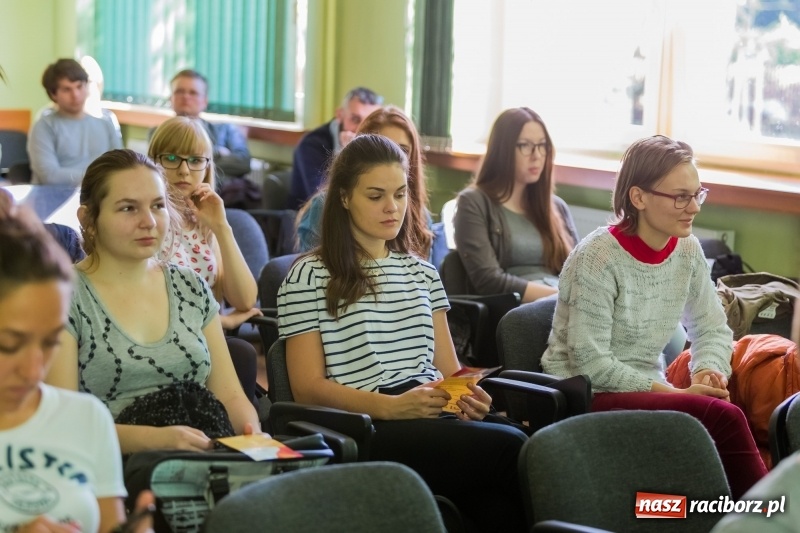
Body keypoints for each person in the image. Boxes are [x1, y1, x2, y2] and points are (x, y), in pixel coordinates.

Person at [278, 134, 528, 533]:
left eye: (399, 193)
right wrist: (389, 407)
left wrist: (471, 400)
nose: (391, 207)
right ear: (343, 197)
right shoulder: (309, 275)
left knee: (499, 489)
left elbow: (449, 371)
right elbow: (307, 387)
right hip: (370, 422)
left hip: (429, 408)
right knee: (511, 448)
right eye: (375, 196)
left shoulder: (421, 273)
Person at [541, 135, 767, 499]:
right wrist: (677, 393)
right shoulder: (597, 257)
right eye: (681, 196)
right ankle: (776, 519)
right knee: (724, 417)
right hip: (587, 392)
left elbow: (712, 329)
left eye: (698, 194)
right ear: (639, 197)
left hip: (650, 386)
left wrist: (708, 370)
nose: (693, 208)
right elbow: (591, 363)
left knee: (718, 409)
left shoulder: (688, 251)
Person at [46, 149, 260, 454]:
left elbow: (230, 396)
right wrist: (160, 441)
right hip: (109, 470)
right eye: (128, 208)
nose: (148, 221)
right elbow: (64, 421)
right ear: (88, 219)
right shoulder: (62, 296)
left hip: (206, 456)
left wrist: (250, 433)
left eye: (157, 205)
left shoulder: (189, 285)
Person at [0, 189, 153, 532]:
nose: (34, 369)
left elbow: (110, 524)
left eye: (51, 342)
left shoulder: (87, 418)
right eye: (9, 345)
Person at [148, 116, 262, 403]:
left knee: (241, 355)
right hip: (159, 341)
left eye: (196, 160)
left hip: (204, 341)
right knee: (241, 353)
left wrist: (222, 228)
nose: (184, 170)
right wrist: (221, 323)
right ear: (153, 161)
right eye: (171, 158)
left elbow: (245, 300)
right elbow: (152, 306)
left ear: (208, 166)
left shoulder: (206, 224)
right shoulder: (147, 223)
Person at [453, 107, 578, 302]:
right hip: (516, 311)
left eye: (542, 145)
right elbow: (489, 281)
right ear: (503, 150)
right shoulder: (473, 203)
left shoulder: (556, 207)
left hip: (560, 306)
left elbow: (578, 272)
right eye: (526, 146)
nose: (537, 155)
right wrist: (561, 298)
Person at [295, 105, 433, 260]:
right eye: (382, 147)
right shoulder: (323, 206)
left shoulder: (420, 214)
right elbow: (314, 275)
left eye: (403, 150)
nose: (392, 157)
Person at [28, 59, 123, 186]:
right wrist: (99, 178)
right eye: (67, 89)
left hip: (98, 196)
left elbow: (120, 167)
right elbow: (49, 175)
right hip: (55, 198)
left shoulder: (106, 122)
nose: (76, 95)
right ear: (53, 94)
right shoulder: (44, 126)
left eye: (79, 86)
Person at [288, 87, 383, 209]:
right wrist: (347, 155)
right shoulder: (311, 145)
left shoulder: (378, 142)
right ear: (340, 115)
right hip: (307, 220)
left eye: (369, 122)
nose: (361, 129)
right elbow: (323, 200)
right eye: (355, 119)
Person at [166, 69, 251, 183]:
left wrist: (193, 162)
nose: (186, 96)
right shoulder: (159, 132)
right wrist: (218, 153)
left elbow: (243, 163)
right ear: (170, 98)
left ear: (205, 101)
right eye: (180, 91)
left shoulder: (227, 130)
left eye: (193, 92)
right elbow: (163, 165)